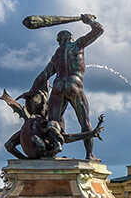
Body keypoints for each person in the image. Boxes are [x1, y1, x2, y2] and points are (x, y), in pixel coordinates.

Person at [27, 13, 105, 159]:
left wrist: (32, 92)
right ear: (71, 38)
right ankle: (90, 154)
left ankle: (57, 144)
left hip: (57, 86)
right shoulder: (78, 45)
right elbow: (99, 30)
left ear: (58, 42)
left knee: (53, 120)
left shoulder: (56, 55)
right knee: (84, 122)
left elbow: (43, 76)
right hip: (74, 85)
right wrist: (90, 21)